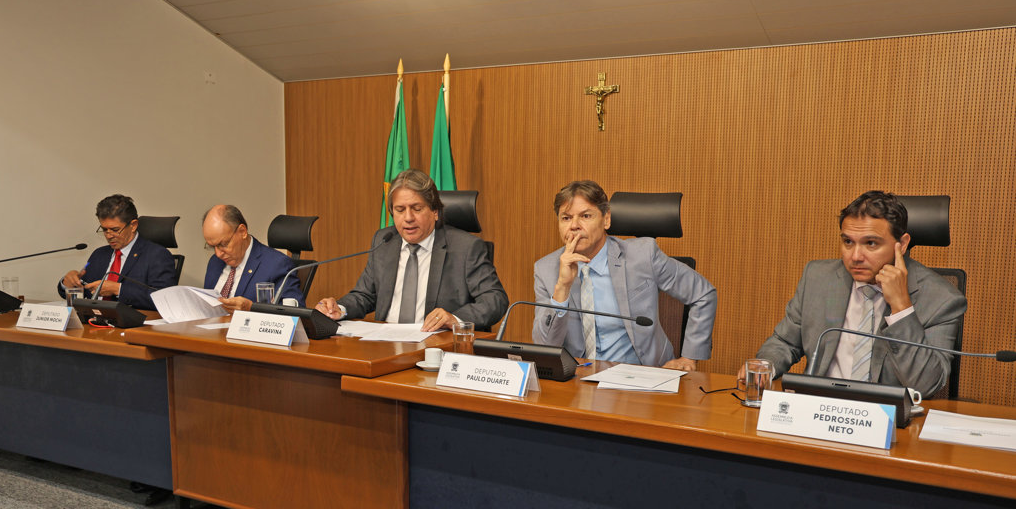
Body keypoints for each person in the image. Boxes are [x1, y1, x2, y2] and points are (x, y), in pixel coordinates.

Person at [743, 190, 967, 397]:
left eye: (871, 243)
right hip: (819, 409)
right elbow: (785, 342)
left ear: (902, 244)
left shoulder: (942, 300)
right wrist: (764, 367)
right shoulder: (819, 278)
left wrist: (901, 308)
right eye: (848, 242)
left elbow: (926, 385)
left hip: (888, 417)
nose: (855, 256)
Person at [533, 180, 717, 370]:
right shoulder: (546, 269)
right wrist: (562, 287)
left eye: (585, 216)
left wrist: (689, 357)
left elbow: (703, 294)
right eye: (566, 218)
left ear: (606, 219)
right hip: (578, 378)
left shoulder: (642, 255)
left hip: (643, 376)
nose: (574, 226)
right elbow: (544, 347)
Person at [315, 169, 508, 331]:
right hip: (384, 344)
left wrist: (455, 319)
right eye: (400, 210)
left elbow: (495, 299)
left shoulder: (465, 248)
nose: (408, 218)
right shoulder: (384, 241)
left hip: (436, 347)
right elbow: (365, 295)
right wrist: (340, 308)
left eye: (416, 208)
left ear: (435, 211)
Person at [59, 194, 176, 311]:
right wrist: (68, 284)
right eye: (105, 230)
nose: (109, 236)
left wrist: (118, 290)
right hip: (94, 319)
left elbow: (165, 300)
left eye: (115, 230)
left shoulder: (157, 255)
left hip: (134, 321)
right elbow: (83, 292)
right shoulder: (99, 254)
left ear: (133, 225)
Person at [202, 204, 304, 310]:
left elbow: (294, 314)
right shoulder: (215, 262)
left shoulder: (277, 265)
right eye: (212, 246)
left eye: (223, 244)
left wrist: (252, 308)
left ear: (242, 232)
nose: (218, 254)